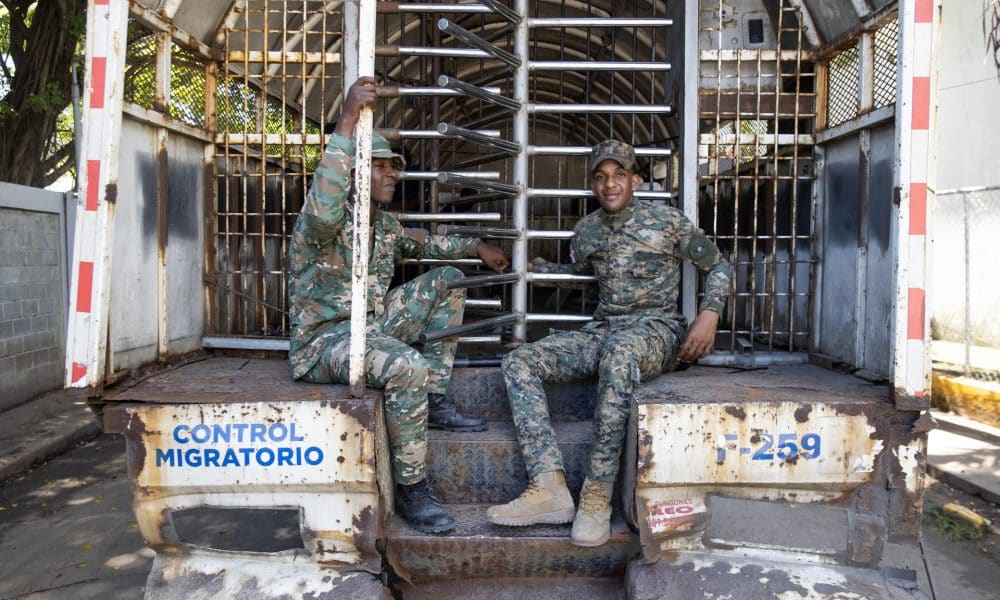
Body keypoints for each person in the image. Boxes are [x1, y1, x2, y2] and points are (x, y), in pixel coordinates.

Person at [288, 77, 510, 533]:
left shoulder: (384, 226)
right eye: (382, 166)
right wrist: (348, 118)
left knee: (448, 281)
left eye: (396, 167)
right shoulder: (323, 223)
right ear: (355, 169)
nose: (394, 174)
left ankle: (432, 397)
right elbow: (327, 197)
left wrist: (476, 248)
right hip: (325, 341)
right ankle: (412, 488)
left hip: (370, 328)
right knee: (406, 364)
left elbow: (427, 243)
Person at [486, 140, 731, 546]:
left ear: (635, 180)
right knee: (520, 362)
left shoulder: (668, 222)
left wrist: (709, 314)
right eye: (600, 177)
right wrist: (523, 267)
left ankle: (597, 495)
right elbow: (570, 273)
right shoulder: (588, 231)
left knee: (618, 356)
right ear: (593, 184)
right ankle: (549, 487)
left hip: (657, 330)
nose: (610, 184)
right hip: (605, 329)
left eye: (619, 175)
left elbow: (718, 265)